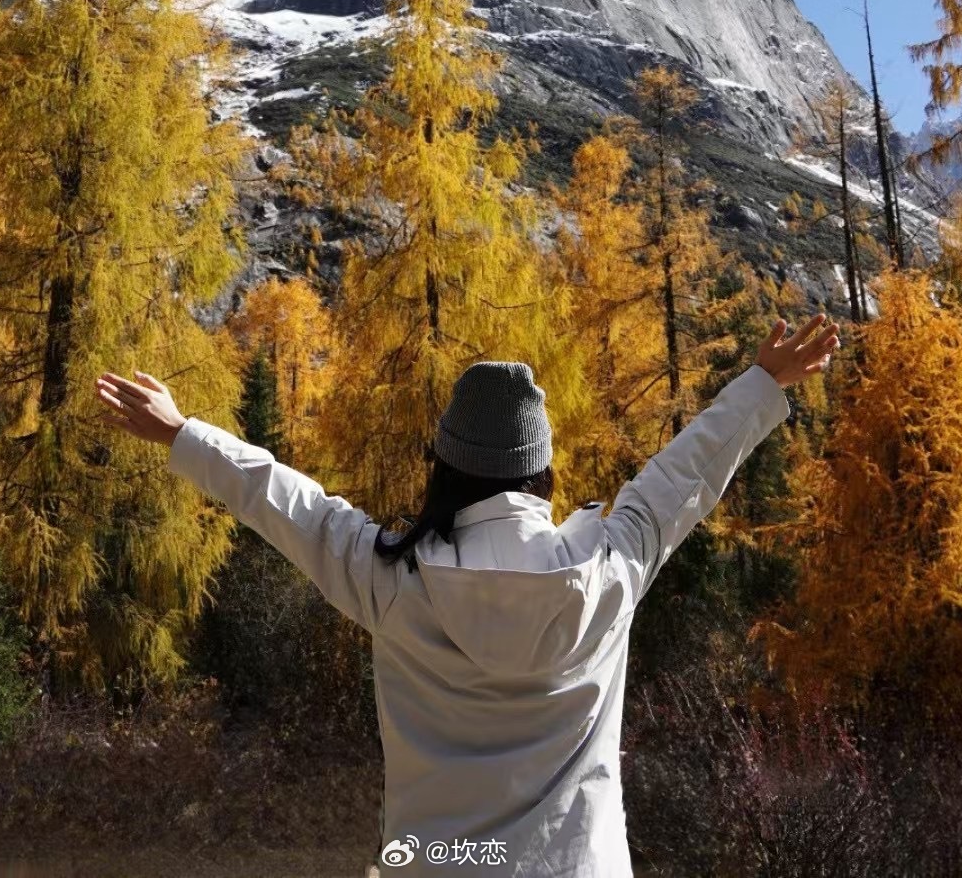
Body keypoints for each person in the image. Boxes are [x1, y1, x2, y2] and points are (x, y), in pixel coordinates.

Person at [96, 312, 840, 877]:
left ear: (447, 468)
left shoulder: (392, 577)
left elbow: (285, 500)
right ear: (541, 471)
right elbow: (688, 472)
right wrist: (762, 383)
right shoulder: (610, 566)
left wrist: (181, 432)